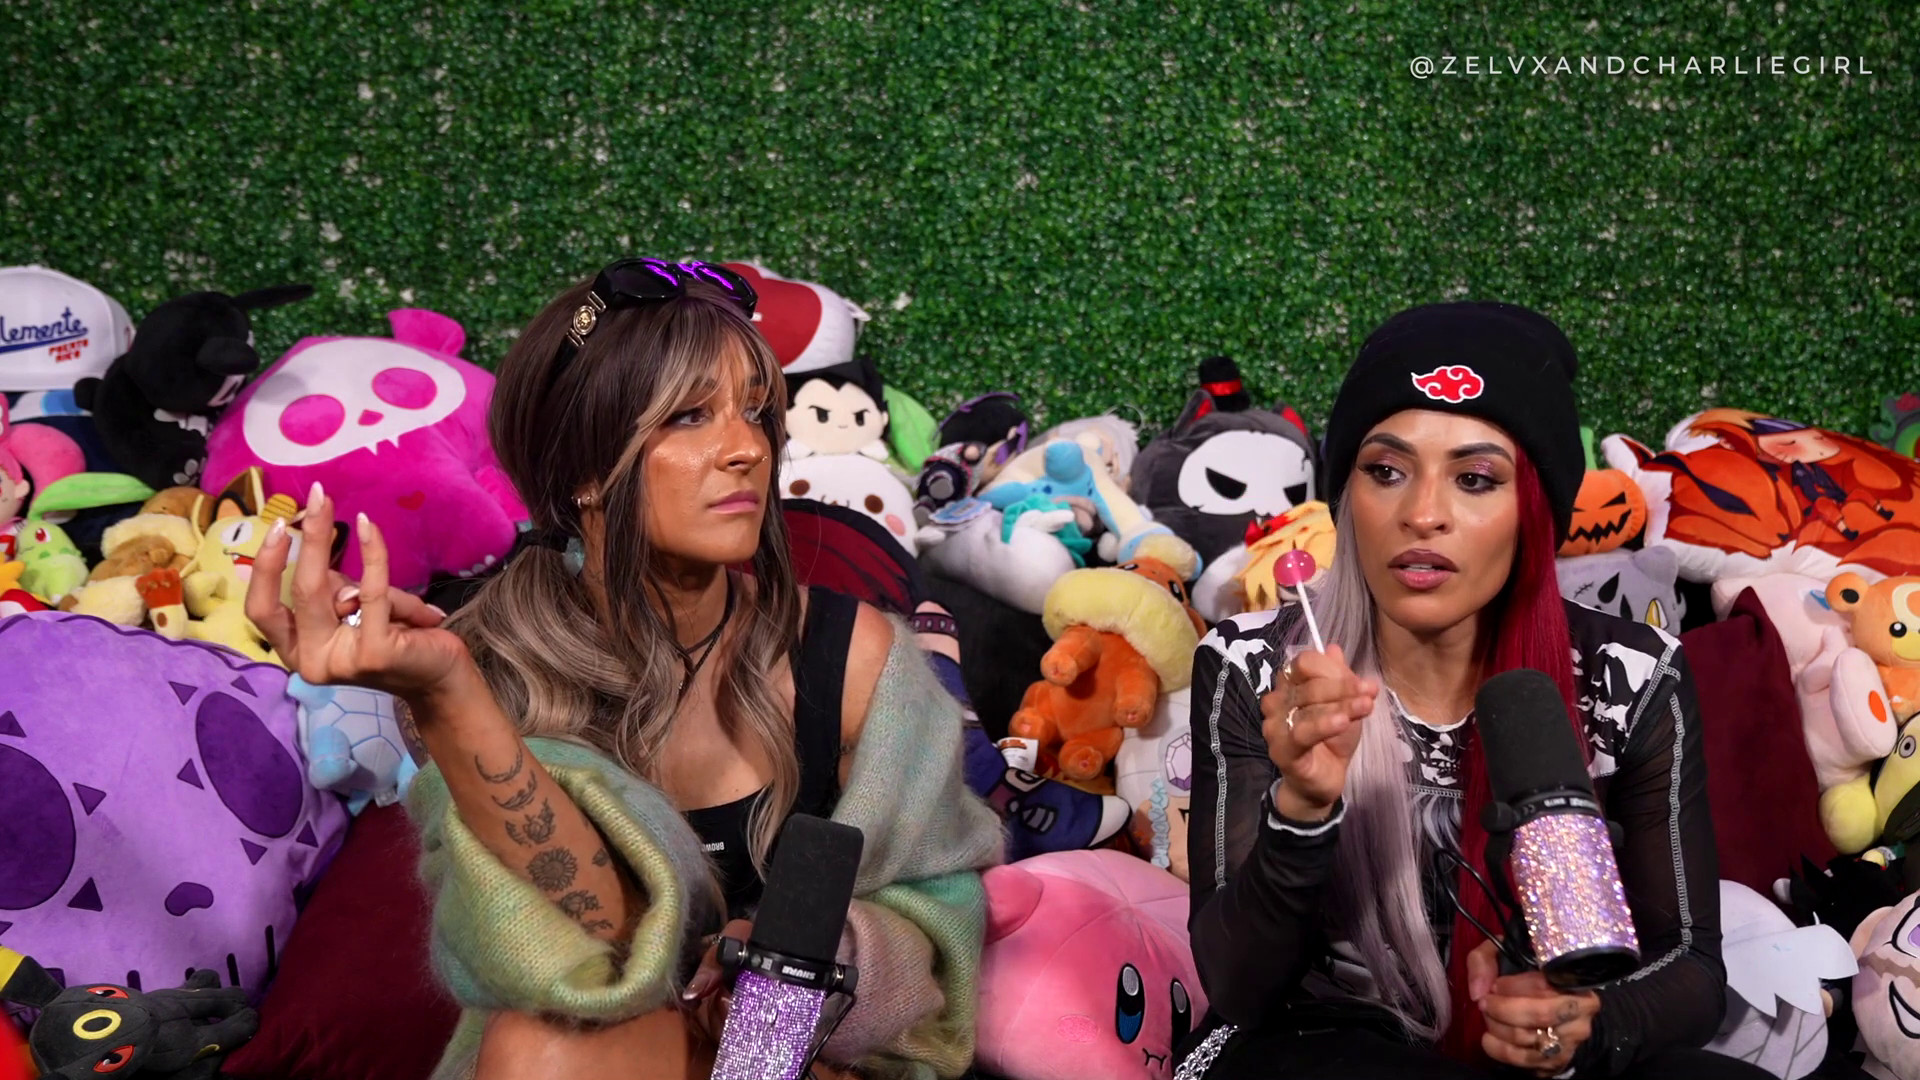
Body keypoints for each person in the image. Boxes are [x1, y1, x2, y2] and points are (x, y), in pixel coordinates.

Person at [244, 259, 1003, 1080]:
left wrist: (802, 965)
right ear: (582, 469)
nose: (746, 448)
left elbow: (937, 924)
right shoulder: (492, 673)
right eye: (689, 416)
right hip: (599, 1054)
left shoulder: (855, 657)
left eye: (756, 410)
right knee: (547, 1045)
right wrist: (448, 695)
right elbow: (579, 959)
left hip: (799, 1057)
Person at [1178, 303, 1766, 1080]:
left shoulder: (1633, 673)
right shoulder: (1255, 664)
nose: (1423, 514)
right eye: (1386, 471)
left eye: (1476, 479)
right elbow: (1239, 986)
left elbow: (1689, 966)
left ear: (1533, 512)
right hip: (1314, 1048)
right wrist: (1302, 810)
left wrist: (1579, 1024)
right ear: (1347, 494)